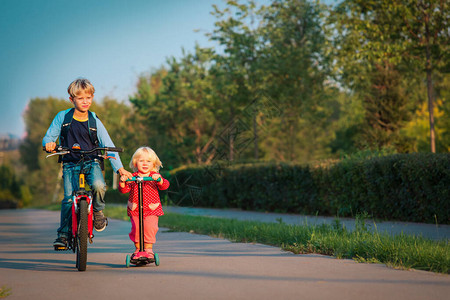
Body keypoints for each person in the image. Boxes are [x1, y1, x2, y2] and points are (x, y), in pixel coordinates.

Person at [42, 78, 133, 249]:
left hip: (92, 162)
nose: (85, 101)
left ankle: (97, 211)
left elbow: (109, 146)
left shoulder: (94, 121)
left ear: (92, 98)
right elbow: (48, 137)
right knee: (69, 199)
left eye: (88, 97)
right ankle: (63, 235)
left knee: (99, 186)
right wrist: (49, 144)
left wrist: (120, 169)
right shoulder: (63, 117)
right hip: (70, 164)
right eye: (80, 98)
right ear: (72, 99)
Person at [118, 146, 170, 258]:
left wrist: (159, 179)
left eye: (148, 161)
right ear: (135, 163)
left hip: (151, 209)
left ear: (154, 164)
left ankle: (148, 250)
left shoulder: (154, 176)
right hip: (135, 208)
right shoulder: (132, 177)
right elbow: (124, 190)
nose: (145, 163)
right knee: (136, 229)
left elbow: (165, 186)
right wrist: (122, 182)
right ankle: (138, 250)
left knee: (150, 228)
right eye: (141, 161)